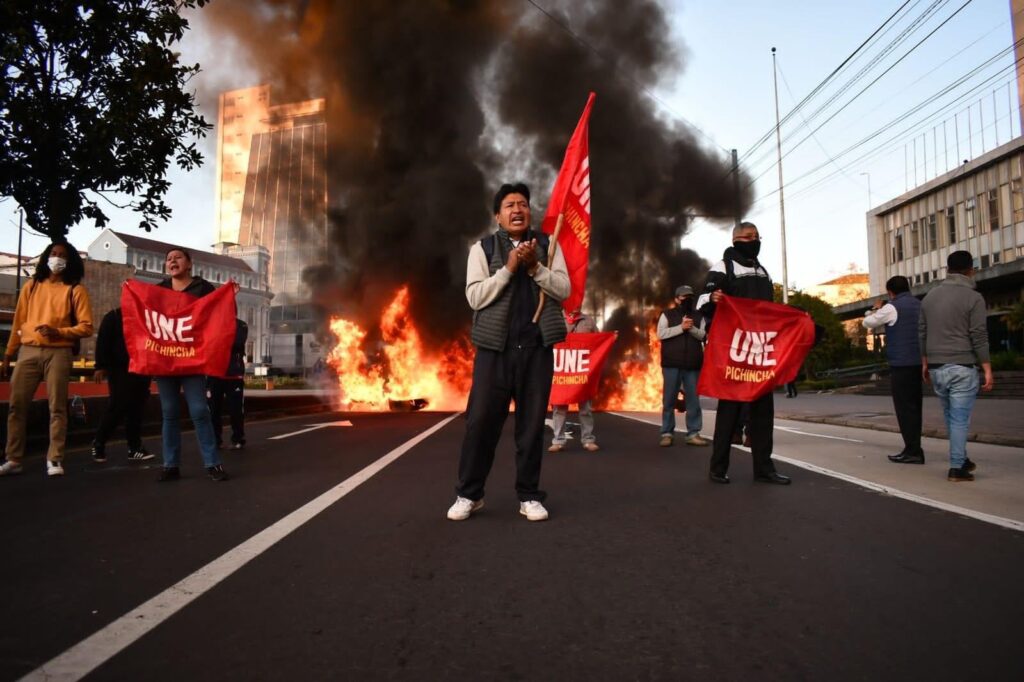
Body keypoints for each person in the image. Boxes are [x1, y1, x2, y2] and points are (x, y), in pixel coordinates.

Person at [447, 182, 570, 522]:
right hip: (494, 352)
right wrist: (509, 268)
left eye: (523, 204)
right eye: (509, 205)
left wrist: (535, 269)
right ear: (497, 216)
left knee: (531, 427)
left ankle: (529, 495)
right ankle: (469, 494)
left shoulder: (548, 245)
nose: (517, 209)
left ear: (530, 211)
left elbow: (564, 289)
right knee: (480, 424)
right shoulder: (482, 249)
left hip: (535, 351)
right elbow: (475, 297)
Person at [697, 222, 791, 485]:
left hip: (760, 350)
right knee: (729, 410)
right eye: (749, 237)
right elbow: (701, 301)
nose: (754, 240)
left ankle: (764, 469)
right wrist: (713, 298)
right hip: (734, 351)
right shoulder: (723, 267)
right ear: (736, 239)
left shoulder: (762, 271)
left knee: (763, 412)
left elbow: (769, 309)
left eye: (757, 236)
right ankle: (718, 468)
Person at [0, 241, 94, 477]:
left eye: (62, 255)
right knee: (16, 406)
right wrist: (8, 353)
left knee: (57, 407)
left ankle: (54, 458)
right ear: (46, 257)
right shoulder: (31, 287)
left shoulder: (75, 290)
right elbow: (18, 322)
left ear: (70, 261)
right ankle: (13, 458)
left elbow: (86, 327)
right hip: (28, 350)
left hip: (59, 351)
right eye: (53, 253)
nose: (57, 258)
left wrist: (59, 332)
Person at [154, 247, 229, 482]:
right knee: (169, 412)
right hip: (166, 359)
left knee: (199, 410)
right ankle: (170, 465)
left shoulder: (203, 288)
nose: (172, 261)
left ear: (189, 264)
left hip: (192, 358)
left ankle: (212, 463)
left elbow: (216, 316)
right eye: (168, 259)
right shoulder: (159, 290)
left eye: (177, 257)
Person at [919, 250, 994, 482]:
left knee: (951, 417)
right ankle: (956, 468)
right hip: (962, 366)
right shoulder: (974, 298)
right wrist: (987, 367)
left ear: (947, 270)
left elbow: (922, 332)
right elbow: (979, 335)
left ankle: (962, 459)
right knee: (960, 419)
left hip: (936, 367)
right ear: (971, 270)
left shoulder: (930, 296)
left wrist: (924, 362)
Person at [862, 275, 924, 464]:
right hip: (919, 363)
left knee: (904, 409)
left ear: (890, 292)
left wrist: (874, 310)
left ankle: (912, 450)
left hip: (901, 364)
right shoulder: (919, 304)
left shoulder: (891, 307)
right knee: (915, 408)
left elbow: (868, 323)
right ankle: (915, 448)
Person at [91, 307, 154, 463]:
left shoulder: (147, 317)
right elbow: (103, 341)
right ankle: (99, 442)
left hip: (142, 367)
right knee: (118, 405)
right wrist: (100, 366)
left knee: (137, 408)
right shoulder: (113, 316)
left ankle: (134, 447)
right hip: (119, 368)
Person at [656, 285, 710, 447]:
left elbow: (703, 335)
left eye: (690, 296)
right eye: (684, 296)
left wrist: (691, 328)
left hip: (693, 365)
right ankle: (667, 433)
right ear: (676, 299)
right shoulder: (667, 314)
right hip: (671, 364)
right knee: (669, 400)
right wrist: (681, 327)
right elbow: (661, 334)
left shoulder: (699, 316)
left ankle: (693, 433)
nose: (687, 299)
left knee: (693, 400)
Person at [549, 309, 599, 453]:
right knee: (559, 408)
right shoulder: (556, 318)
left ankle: (588, 440)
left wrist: (610, 338)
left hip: (582, 372)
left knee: (586, 408)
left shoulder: (588, 321)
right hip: (561, 372)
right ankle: (558, 441)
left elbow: (598, 340)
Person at [207, 318, 248, 450]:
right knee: (213, 409)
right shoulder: (211, 323)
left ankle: (238, 438)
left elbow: (236, 343)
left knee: (235, 409)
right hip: (214, 374)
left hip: (233, 375)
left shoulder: (241, 325)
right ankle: (215, 439)